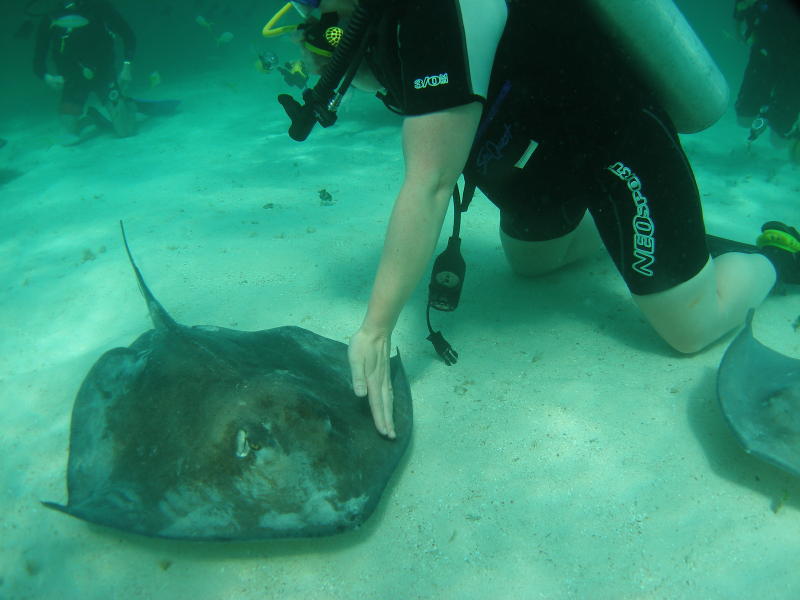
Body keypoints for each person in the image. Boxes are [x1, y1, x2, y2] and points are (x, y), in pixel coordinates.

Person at [275, 0, 800, 439]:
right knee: (535, 264)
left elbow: (430, 183)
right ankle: (658, 242)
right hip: (536, 163)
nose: (311, 15)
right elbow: (388, 73)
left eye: (314, 4)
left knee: (690, 327)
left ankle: (773, 257)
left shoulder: (433, 10)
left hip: (612, 143)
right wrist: (332, 43)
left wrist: (376, 327)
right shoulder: (372, 25)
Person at [33, 0, 137, 143]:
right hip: (73, 80)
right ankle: (90, 119)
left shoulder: (100, 8)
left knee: (126, 131)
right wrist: (48, 78)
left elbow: (128, 35)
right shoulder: (52, 18)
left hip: (104, 74)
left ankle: (129, 105)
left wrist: (127, 67)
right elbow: (38, 60)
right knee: (68, 139)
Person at [733, 0, 800, 160]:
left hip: (796, 65)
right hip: (765, 49)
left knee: (778, 141)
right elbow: (742, 6)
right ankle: (766, 109)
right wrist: (739, 23)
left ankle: (781, 120)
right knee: (744, 117)